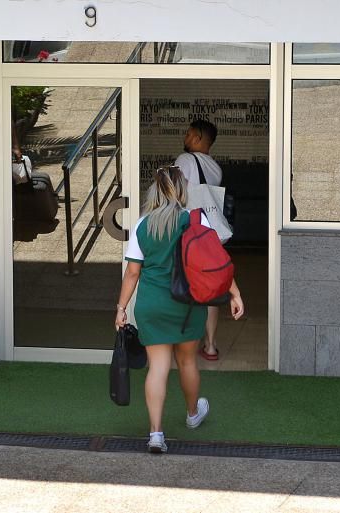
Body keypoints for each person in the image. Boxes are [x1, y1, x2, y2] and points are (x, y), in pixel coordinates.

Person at [114, 166, 244, 454]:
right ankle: (192, 414)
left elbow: (132, 274)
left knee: (157, 368)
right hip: (187, 305)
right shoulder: (196, 221)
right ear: (182, 191)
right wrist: (234, 293)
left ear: (155, 192)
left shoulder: (143, 225)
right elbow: (215, 264)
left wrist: (121, 308)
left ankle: (156, 434)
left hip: (152, 306)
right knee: (187, 362)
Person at [174, 119, 224, 361]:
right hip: (211, 236)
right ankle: (211, 345)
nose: (185, 137)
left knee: (184, 286)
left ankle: (185, 343)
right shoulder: (215, 168)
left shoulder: (184, 161)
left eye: (188, 134)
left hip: (189, 234)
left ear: (197, 138)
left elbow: (175, 195)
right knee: (211, 289)